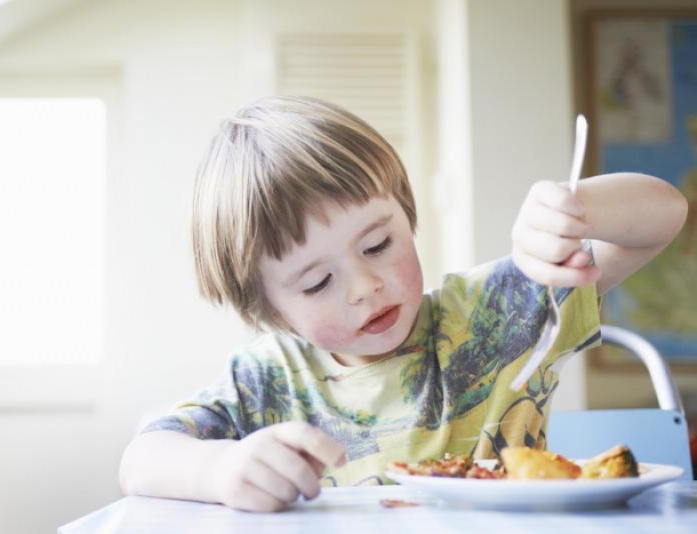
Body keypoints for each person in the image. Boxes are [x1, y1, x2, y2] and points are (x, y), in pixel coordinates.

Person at [118, 96, 687, 512]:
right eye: (316, 283)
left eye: (378, 245)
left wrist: (578, 211)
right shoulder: (266, 379)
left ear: (407, 214)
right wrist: (220, 469)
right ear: (269, 310)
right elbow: (140, 460)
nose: (364, 285)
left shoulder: (496, 313)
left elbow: (664, 216)